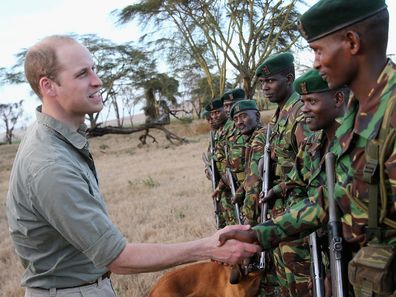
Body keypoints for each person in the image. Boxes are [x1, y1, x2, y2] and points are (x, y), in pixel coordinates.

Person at [5, 35, 261, 297]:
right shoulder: (50, 164)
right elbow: (117, 257)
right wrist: (208, 247)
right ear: (49, 87)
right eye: (82, 73)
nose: (97, 80)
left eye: (94, 69)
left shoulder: (55, 139)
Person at [222, 0, 396, 295]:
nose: (315, 63)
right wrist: (257, 234)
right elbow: (330, 198)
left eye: (318, 50)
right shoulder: (358, 113)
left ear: (352, 42)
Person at [255, 52, 313, 297]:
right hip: (282, 214)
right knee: (286, 283)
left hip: (300, 212)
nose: (265, 88)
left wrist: (278, 189)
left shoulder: (301, 112)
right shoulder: (279, 115)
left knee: (304, 284)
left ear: (289, 78)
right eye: (262, 84)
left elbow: (310, 168)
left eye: (271, 81)